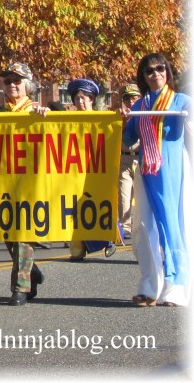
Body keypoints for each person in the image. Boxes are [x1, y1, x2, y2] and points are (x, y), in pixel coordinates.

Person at [0, 62, 49, 306]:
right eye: (8, 81)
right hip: (3, 183)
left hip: (30, 184)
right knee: (8, 232)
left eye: (18, 80)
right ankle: (31, 270)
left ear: (29, 85)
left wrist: (48, 119)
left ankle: (20, 287)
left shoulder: (39, 112)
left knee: (23, 233)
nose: (12, 85)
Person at [121, 53, 192, 307]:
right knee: (144, 227)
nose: (155, 74)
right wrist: (125, 120)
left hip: (174, 170)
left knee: (174, 225)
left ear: (167, 71)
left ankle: (177, 288)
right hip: (147, 170)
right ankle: (150, 287)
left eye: (160, 68)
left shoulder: (181, 100)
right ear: (143, 76)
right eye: (149, 71)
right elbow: (129, 140)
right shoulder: (139, 106)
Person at [66, 78, 116, 261]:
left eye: (85, 97)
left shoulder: (102, 119)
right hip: (72, 169)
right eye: (77, 98)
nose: (80, 101)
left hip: (96, 169)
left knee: (97, 205)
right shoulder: (67, 119)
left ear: (92, 99)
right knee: (72, 209)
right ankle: (77, 249)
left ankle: (106, 239)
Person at [117, 83, 142, 239]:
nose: (131, 102)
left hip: (140, 157)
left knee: (141, 195)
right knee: (124, 194)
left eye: (134, 98)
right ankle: (125, 227)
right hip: (124, 157)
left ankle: (141, 226)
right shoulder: (119, 115)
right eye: (127, 99)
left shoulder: (145, 113)